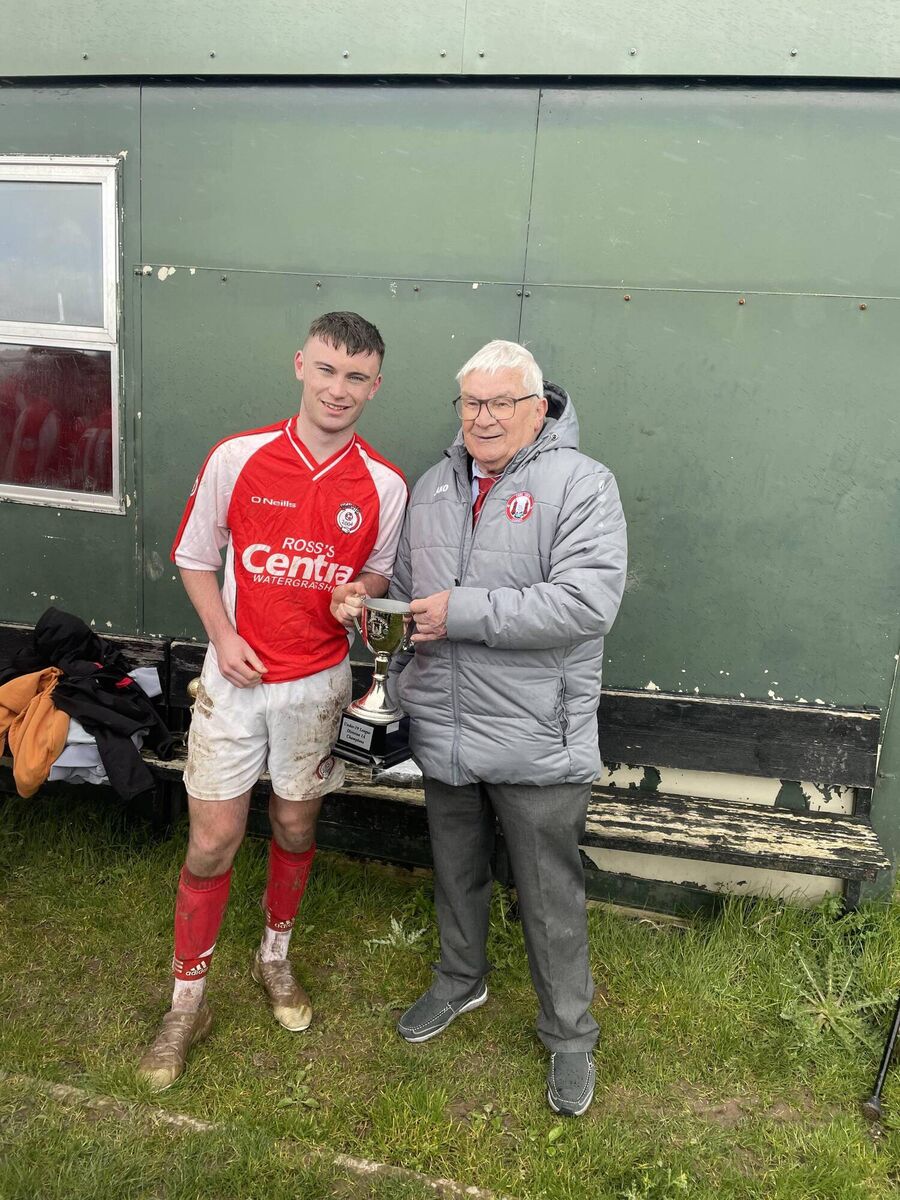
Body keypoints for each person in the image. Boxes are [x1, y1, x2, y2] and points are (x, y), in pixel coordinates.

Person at [137, 311, 406, 1089]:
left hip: (318, 685)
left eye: (356, 377)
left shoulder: (383, 485)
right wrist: (222, 637)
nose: (338, 389)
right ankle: (188, 1004)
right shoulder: (238, 456)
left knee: (294, 822)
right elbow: (193, 557)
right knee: (213, 841)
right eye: (326, 370)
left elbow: (378, 576)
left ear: (375, 386)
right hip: (234, 683)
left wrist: (361, 593)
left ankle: (273, 960)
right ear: (299, 365)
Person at [389, 340, 626, 1117]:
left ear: (537, 409)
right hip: (446, 726)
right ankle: (461, 981)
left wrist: (458, 612)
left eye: (500, 403)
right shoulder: (430, 487)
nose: (482, 418)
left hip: (534, 733)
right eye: (471, 403)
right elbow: (403, 590)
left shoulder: (583, 484)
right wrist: (375, 615)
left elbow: (585, 604)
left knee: (548, 892)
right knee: (455, 872)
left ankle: (569, 1035)